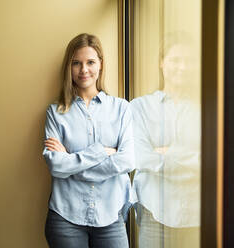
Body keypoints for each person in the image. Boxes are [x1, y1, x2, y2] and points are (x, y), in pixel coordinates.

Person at [42, 33, 135, 248]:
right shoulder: (55, 112)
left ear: (100, 64)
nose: (84, 70)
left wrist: (72, 164)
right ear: (69, 67)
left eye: (90, 62)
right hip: (65, 218)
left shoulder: (122, 109)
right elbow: (56, 165)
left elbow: (128, 161)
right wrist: (102, 152)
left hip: (111, 216)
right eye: (76, 63)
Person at [131, 34, 201, 248]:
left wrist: (168, 153)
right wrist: (192, 160)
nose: (183, 67)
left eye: (189, 61)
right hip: (155, 214)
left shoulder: (208, 110)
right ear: (162, 62)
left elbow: (214, 160)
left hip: (196, 218)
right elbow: (142, 159)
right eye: (175, 60)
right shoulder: (139, 107)